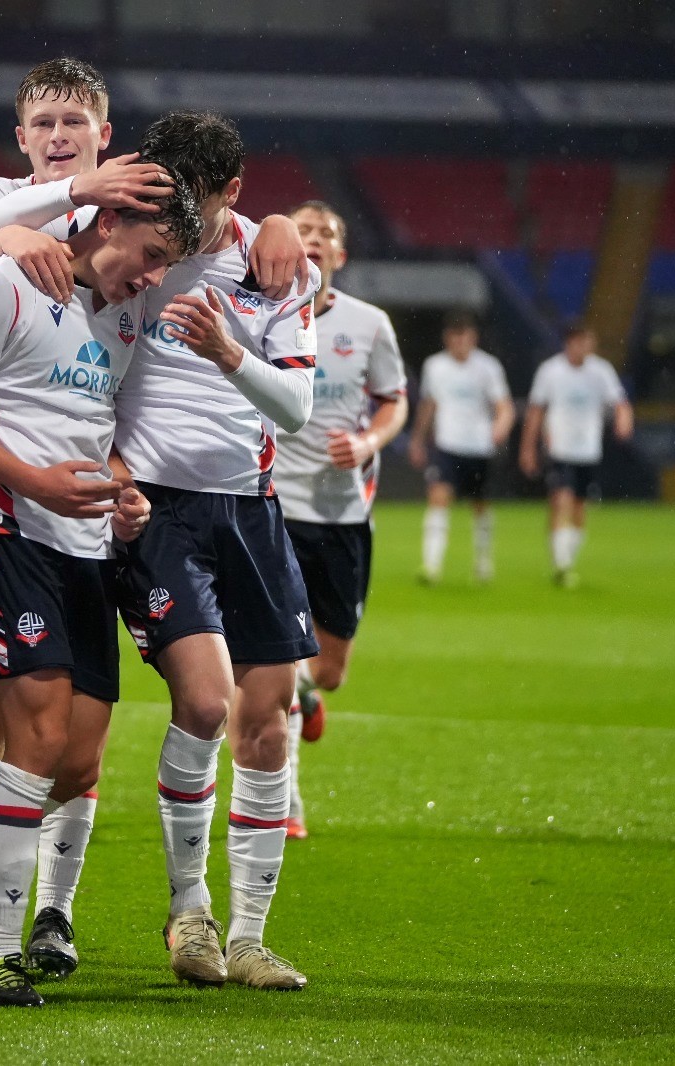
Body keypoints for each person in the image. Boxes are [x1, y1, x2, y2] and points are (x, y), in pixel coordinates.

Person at [0, 57, 305, 981]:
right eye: (43, 120)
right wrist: (12, 234)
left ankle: (40, 907)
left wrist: (282, 226)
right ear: (25, 137)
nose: (58, 136)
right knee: (8, 715)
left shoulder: (147, 290)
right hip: (11, 512)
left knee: (72, 744)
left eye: (75, 123)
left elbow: (118, 402)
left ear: (108, 138)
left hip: (106, 515)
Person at [0, 170, 202, 1007]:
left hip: (85, 544)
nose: (152, 276)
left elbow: (95, 431)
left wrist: (119, 487)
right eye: (151, 253)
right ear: (106, 219)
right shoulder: (2, 282)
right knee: (35, 734)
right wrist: (34, 480)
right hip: (2, 529)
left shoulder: (128, 318)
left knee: (75, 760)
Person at [112, 110, 321, 992]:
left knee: (267, 726)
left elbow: (297, 411)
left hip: (252, 510)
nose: (176, 220)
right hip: (158, 512)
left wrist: (231, 352)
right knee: (204, 704)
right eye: (165, 196)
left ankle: (250, 936)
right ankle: (189, 909)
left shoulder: (277, 266)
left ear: (233, 192)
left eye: (195, 202)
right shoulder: (129, 250)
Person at [272, 201, 407, 840]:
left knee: (328, 669)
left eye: (327, 234)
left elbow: (394, 402)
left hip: (342, 513)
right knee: (277, 657)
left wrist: (368, 444)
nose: (316, 241)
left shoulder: (369, 325)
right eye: (305, 232)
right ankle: (287, 801)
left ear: (340, 256)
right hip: (271, 509)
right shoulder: (262, 314)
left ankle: (307, 692)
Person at [519, 322, 634, 588]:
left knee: (580, 508)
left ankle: (565, 560)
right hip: (560, 447)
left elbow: (620, 402)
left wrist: (624, 420)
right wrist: (528, 448)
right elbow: (536, 411)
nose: (586, 347)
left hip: (588, 450)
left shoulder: (601, 371)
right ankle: (562, 565)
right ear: (569, 342)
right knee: (561, 500)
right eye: (581, 341)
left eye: (589, 341)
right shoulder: (551, 371)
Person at [408, 312, 514, 584]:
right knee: (438, 498)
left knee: (480, 505)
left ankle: (483, 560)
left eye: (464, 336)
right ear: (447, 339)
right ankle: (431, 566)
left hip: (479, 447)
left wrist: (500, 425)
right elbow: (429, 405)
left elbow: (504, 406)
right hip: (447, 445)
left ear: (473, 338)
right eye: (455, 337)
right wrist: (418, 439)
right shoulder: (435, 366)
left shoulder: (488, 367)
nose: (459, 342)